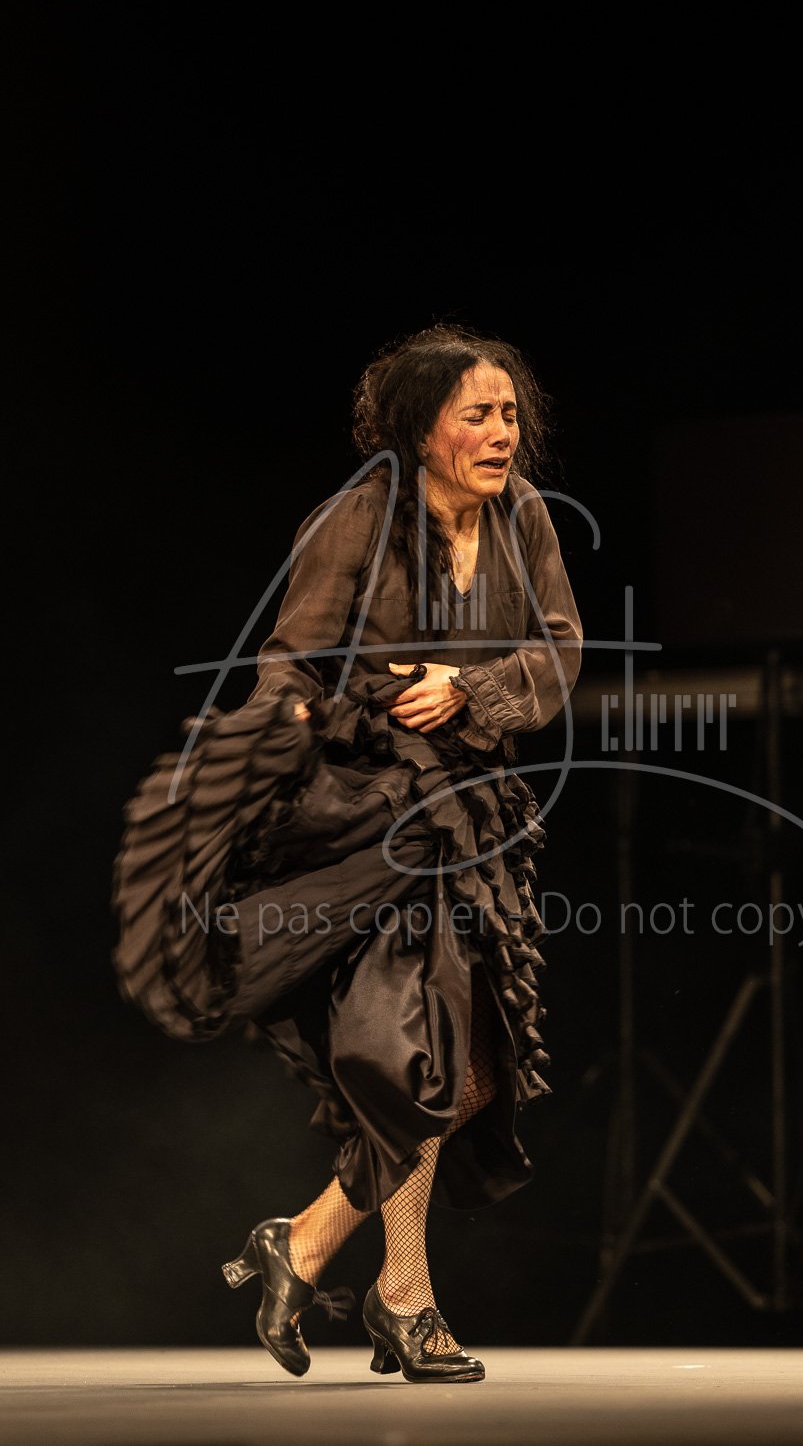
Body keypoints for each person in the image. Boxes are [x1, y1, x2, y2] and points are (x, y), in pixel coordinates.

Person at [112, 323, 583, 1384]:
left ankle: (322, 1246)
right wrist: (272, 747)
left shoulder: (526, 518)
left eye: (510, 414)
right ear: (421, 428)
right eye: (477, 414)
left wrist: (471, 687)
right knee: (422, 1057)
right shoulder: (360, 517)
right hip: (372, 819)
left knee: (467, 1065)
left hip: (474, 815)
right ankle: (398, 1293)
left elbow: (560, 648)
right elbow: (289, 661)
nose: (501, 433)